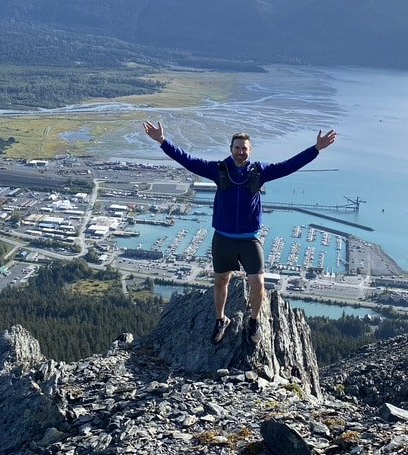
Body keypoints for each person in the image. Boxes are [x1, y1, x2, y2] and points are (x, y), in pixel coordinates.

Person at [143, 121, 337, 344]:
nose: (240, 151)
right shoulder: (219, 169)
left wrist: (315, 149)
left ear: (250, 151)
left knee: (258, 282)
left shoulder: (259, 171)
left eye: (244, 148)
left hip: (249, 238)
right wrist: (162, 141)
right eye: (237, 147)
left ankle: (254, 321)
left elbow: (289, 165)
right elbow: (187, 160)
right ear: (231, 149)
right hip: (223, 237)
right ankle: (220, 319)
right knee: (220, 281)